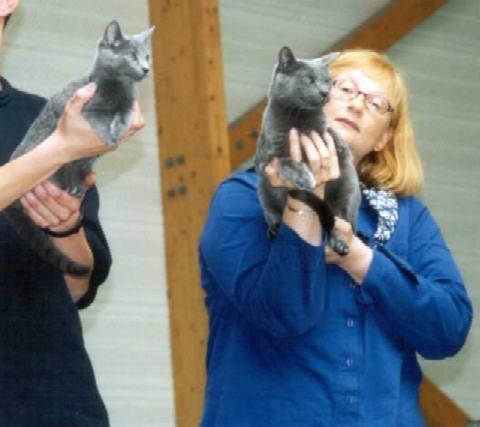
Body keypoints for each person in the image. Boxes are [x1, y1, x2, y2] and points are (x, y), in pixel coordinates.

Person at [198, 49, 473, 427]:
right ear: (311, 97)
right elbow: (285, 315)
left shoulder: (408, 217)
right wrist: (305, 200)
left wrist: (358, 258)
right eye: (344, 88)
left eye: (376, 103)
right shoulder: (242, 199)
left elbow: (449, 329)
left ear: (384, 138)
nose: (357, 105)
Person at [0, 3, 142, 426]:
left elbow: (77, 287)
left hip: (52, 400)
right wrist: (58, 149)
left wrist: (65, 229)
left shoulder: (45, 117)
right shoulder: (62, 135)